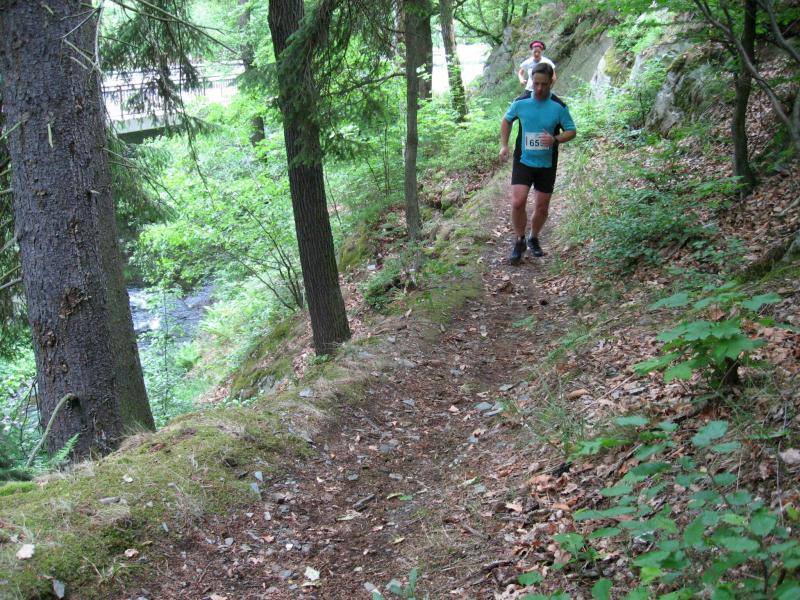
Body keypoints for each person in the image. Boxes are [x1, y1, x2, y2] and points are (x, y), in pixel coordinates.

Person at [499, 62, 576, 265]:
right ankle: (519, 240)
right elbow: (506, 120)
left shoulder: (558, 107)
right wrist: (504, 145)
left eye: (544, 84)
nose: (540, 88)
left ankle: (533, 237)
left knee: (541, 207)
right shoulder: (521, 102)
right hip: (523, 160)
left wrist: (555, 139)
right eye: (536, 84)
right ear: (531, 82)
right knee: (518, 202)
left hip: (546, 163)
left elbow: (571, 131)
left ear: (551, 82)